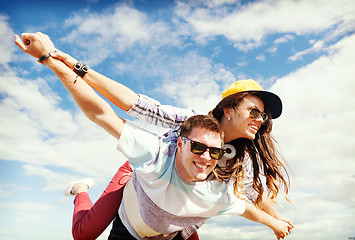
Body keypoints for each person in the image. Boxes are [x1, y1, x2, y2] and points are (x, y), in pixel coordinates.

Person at [14, 32, 293, 239]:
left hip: (173, 218)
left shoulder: (239, 157)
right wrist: (73, 65)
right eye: (254, 112)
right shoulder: (190, 123)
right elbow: (132, 104)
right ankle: (80, 189)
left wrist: (278, 219)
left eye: (264, 116)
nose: (261, 120)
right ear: (229, 110)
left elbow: (248, 195)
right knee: (85, 234)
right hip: (143, 178)